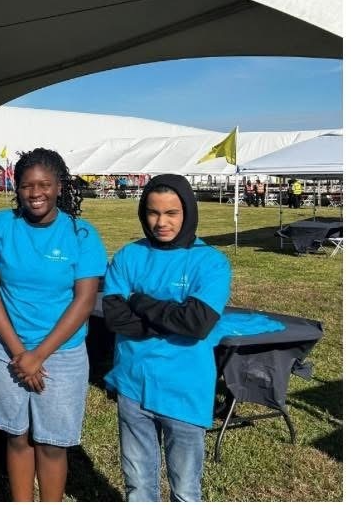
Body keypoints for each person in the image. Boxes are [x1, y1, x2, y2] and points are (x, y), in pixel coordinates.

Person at [0, 147, 106, 502]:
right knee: (17, 438)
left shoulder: (81, 235)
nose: (35, 193)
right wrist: (20, 353)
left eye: (44, 185)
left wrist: (39, 355)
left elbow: (83, 301)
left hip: (62, 355)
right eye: (26, 185)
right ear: (16, 188)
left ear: (59, 187)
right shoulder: (0, 225)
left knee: (51, 444)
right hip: (6, 350)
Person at [102, 174, 231, 502]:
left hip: (184, 391)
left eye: (171, 213)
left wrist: (139, 301)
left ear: (187, 211)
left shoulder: (211, 262)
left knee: (186, 489)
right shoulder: (129, 255)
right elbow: (115, 316)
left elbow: (197, 323)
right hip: (133, 386)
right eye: (153, 212)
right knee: (138, 486)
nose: (161, 222)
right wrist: (171, 317)